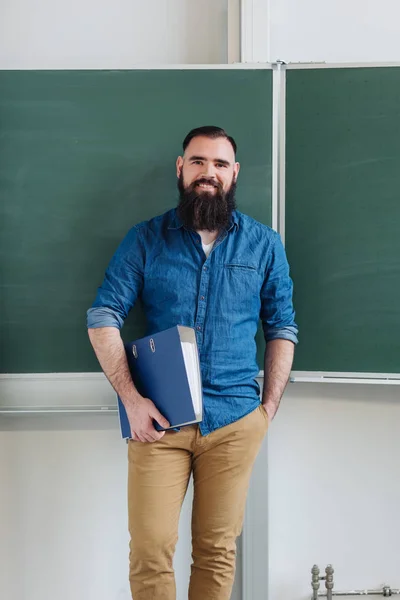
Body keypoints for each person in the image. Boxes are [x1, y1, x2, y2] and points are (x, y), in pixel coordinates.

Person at [87, 125, 298, 600]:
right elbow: (102, 316)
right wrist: (132, 400)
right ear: (181, 169)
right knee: (151, 548)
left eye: (220, 164)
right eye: (199, 162)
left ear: (235, 173)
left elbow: (282, 326)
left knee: (217, 550)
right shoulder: (145, 239)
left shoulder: (264, 245)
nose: (209, 173)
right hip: (158, 423)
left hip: (235, 422)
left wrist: (267, 411)